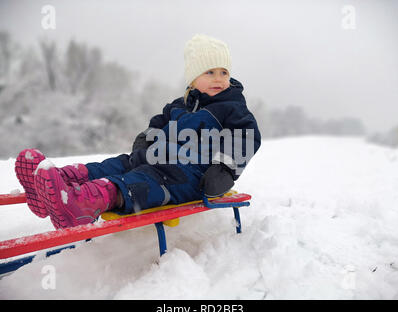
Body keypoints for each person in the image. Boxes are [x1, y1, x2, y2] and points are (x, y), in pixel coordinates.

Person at [15, 34, 261, 229]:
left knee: (136, 181)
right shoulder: (178, 105)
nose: (219, 78)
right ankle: (51, 181)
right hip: (154, 160)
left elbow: (246, 137)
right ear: (193, 78)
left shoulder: (231, 107)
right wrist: (145, 140)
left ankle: (81, 204)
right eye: (210, 72)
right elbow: (155, 124)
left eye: (224, 72)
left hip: (189, 175)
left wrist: (225, 170)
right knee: (115, 164)